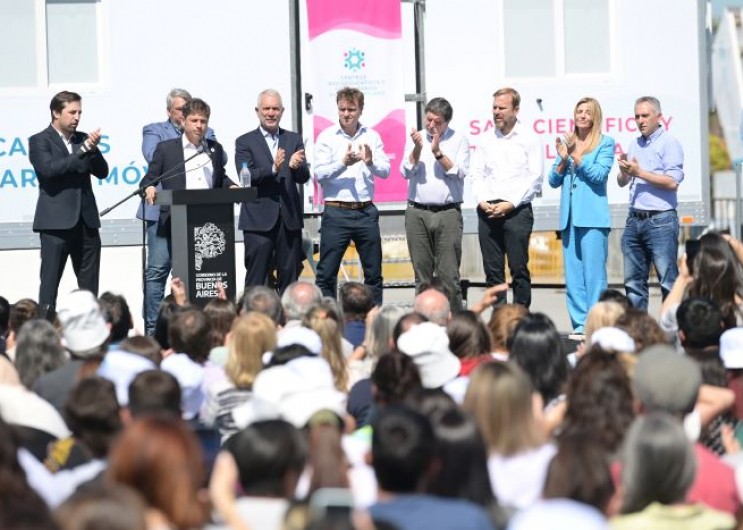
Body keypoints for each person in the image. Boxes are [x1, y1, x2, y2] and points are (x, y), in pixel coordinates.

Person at [140, 98, 236, 319]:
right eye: (194, 120)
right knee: (157, 273)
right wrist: (150, 187)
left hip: (203, 224)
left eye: (203, 121)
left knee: (194, 274)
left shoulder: (214, 149)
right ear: (183, 121)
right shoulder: (166, 149)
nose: (199, 126)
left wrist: (232, 186)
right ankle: (154, 326)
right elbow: (149, 178)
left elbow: (220, 178)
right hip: (172, 221)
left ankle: (196, 321)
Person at [28, 91, 109, 319]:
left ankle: (89, 329)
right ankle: (45, 330)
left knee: (89, 290)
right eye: (72, 112)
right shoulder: (40, 140)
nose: (77, 117)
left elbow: (102, 172)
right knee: (49, 286)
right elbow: (49, 170)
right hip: (55, 225)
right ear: (56, 113)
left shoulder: (82, 139)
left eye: (79, 112)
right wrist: (82, 151)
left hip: (86, 223)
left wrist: (92, 151)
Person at [314, 87, 391, 305]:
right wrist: (343, 163)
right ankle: (328, 317)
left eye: (351, 109)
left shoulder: (371, 136)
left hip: (365, 211)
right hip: (336, 211)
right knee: (326, 273)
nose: (346, 114)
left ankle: (372, 317)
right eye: (342, 109)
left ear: (360, 110)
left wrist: (370, 162)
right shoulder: (327, 137)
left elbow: (385, 171)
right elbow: (319, 174)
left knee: (373, 273)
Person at [470, 87, 543, 307]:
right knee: (493, 272)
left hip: (516, 211)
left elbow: (535, 177)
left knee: (518, 269)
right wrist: (482, 201)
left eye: (502, 108)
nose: (496, 112)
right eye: (494, 107)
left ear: (516, 110)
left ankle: (520, 317)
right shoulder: (485, 139)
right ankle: (499, 317)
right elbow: (477, 173)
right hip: (488, 210)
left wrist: (510, 204)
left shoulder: (529, 138)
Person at [548, 97, 615, 332]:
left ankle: (597, 324)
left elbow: (598, 175)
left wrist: (575, 154)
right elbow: (553, 180)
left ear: (595, 116)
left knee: (594, 276)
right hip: (569, 219)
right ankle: (579, 325)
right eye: (579, 111)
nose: (582, 115)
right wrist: (562, 159)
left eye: (587, 111)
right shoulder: (569, 143)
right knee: (574, 277)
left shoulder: (606, 143)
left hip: (593, 219)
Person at [235, 89, 310, 294]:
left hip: (289, 220)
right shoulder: (244, 141)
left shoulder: (293, 139)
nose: (270, 113)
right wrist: (273, 169)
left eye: (275, 109)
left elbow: (303, 177)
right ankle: (252, 314)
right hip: (258, 220)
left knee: (290, 279)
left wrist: (295, 167)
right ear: (257, 111)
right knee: (256, 279)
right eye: (266, 108)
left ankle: (288, 314)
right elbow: (247, 176)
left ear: (282, 111)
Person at [401, 97, 470, 310]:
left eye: (437, 122)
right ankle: (423, 321)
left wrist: (438, 152)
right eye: (428, 119)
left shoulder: (459, 140)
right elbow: (405, 171)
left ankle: (456, 323)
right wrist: (417, 149)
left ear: (447, 122)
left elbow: (459, 173)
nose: (431, 125)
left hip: (447, 213)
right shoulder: (417, 138)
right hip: (417, 212)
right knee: (422, 277)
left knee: (449, 276)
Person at [618, 96, 684, 310]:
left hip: (660, 221)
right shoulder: (634, 144)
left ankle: (671, 327)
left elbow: (672, 182)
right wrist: (624, 171)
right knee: (633, 283)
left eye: (645, 115)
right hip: (634, 219)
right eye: (637, 116)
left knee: (668, 281)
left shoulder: (669, 143)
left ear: (659, 117)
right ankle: (638, 328)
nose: (640, 120)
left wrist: (639, 172)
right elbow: (622, 182)